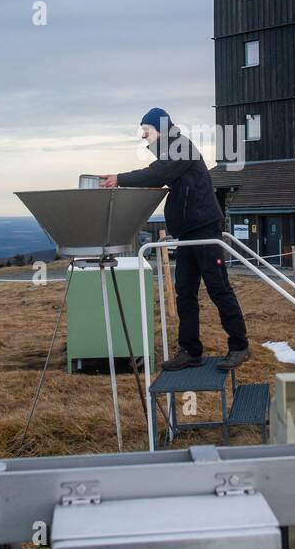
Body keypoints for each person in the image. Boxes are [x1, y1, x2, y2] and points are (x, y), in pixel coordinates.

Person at [101, 108, 250, 371]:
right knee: (185, 292)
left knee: (218, 288)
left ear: (160, 128)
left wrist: (119, 179)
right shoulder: (171, 152)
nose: (143, 136)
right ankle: (191, 351)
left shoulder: (181, 147)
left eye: (146, 130)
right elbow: (159, 176)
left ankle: (239, 346)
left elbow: (158, 174)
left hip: (204, 228)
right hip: (188, 232)